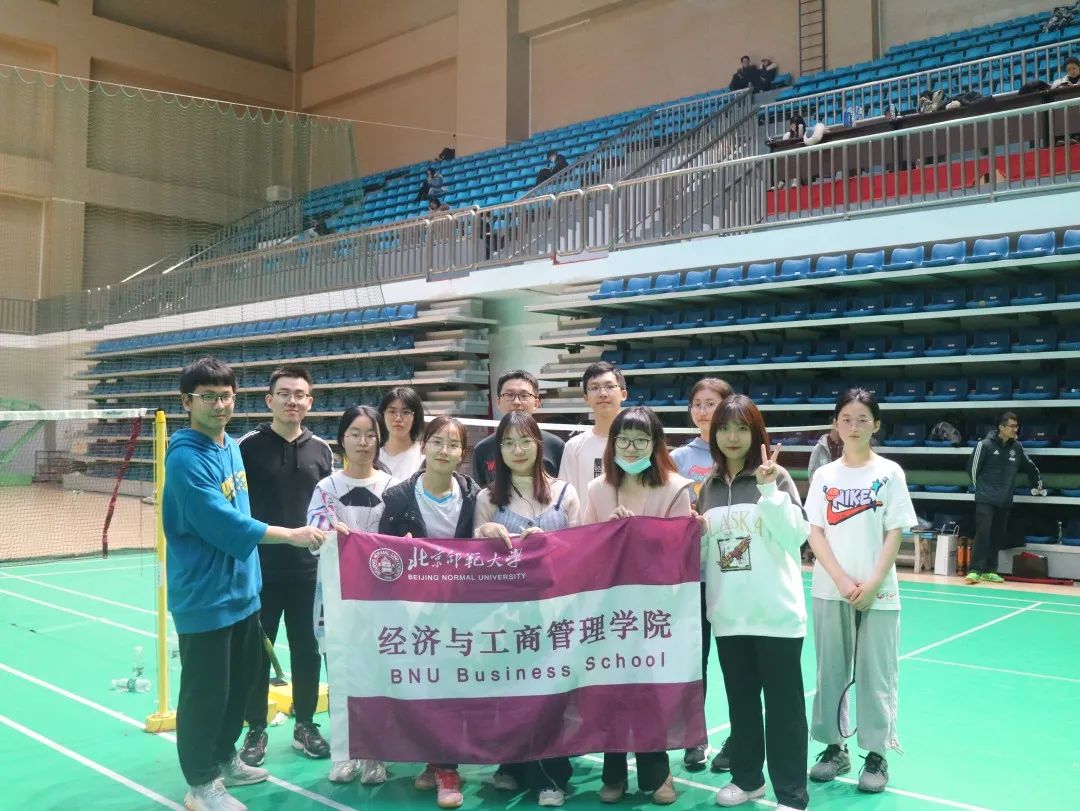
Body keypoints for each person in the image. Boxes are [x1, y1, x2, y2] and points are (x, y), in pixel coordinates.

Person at [163, 357, 326, 811]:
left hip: (243, 592)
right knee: (206, 694)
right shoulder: (185, 458)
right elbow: (223, 521)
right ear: (187, 402)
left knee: (239, 687)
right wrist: (289, 534)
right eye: (208, 397)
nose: (219, 405)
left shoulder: (230, 447)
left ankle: (223, 757)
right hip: (205, 596)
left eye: (225, 396)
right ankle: (201, 783)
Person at [698, 395, 809, 811]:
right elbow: (706, 555)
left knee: (784, 709)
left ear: (756, 434)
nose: (732, 437)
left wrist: (767, 489)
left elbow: (795, 537)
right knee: (741, 704)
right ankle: (747, 780)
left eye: (742, 429)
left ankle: (792, 794)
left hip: (776, 615)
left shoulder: (775, 477)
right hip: (729, 616)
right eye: (725, 428)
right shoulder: (708, 487)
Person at [804, 388, 917, 794]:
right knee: (830, 672)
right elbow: (815, 532)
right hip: (830, 588)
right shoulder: (824, 476)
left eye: (863, 419)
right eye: (846, 419)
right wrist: (840, 579)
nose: (854, 426)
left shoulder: (890, 473)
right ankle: (834, 748)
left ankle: (876, 752)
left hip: (878, 592)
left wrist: (872, 583)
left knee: (876, 675)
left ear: (876, 425)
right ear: (835, 424)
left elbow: (894, 532)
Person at [584, 406, 694, 806]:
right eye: (624, 440)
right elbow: (583, 550)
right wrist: (608, 534)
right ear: (612, 444)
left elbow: (680, 554)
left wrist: (638, 535)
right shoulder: (597, 490)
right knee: (611, 691)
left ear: (655, 444)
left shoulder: (676, 489)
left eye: (641, 440)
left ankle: (657, 771)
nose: (631, 448)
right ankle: (613, 771)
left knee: (650, 692)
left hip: (656, 610)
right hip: (610, 610)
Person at [473, 411, 580, 807]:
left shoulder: (566, 493)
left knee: (551, 694)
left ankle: (552, 776)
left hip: (556, 612)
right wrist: (484, 532)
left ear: (538, 445)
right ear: (498, 451)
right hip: (507, 614)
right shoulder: (486, 498)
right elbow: (474, 559)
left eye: (524, 441)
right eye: (508, 443)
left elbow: (583, 550)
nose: (517, 450)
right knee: (511, 690)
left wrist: (550, 545)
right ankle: (513, 764)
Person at [378, 415, 481, 810]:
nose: (444, 450)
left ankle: (445, 766)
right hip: (415, 614)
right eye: (437, 441)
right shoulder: (397, 498)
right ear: (424, 446)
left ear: (462, 453)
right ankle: (438, 762)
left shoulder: (475, 497)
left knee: (453, 689)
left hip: (463, 612)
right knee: (426, 688)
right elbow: (381, 557)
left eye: (453, 444)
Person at [237, 367, 334, 769]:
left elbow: (330, 507)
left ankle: (306, 724)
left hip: (309, 575)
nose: (292, 401)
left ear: (310, 402)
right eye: (284, 393)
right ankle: (255, 729)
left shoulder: (322, 450)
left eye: (300, 394)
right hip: (260, 572)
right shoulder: (246, 447)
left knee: (307, 651)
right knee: (256, 655)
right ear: (269, 400)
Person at [307, 405, 398, 786]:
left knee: (379, 676)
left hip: (382, 602)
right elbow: (313, 536)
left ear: (380, 440)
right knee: (342, 675)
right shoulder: (326, 489)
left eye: (371, 434)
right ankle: (344, 753)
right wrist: (328, 535)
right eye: (355, 434)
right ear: (342, 439)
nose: (363, 442)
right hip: (337, 599)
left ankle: (376, 753)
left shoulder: (394, 488)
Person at [669, 377, 733, 771]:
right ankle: (694, 737)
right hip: (691, 577)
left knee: (737, 663)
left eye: (712, 403)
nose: (704, 411)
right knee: (695, 663)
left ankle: (740, 737)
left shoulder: (738, 452)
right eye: (698, 404)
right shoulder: (677, 458)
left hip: (733, 579)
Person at [964, 411, 1043, 584]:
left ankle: (990, 570)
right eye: (1012, 426)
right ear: (1001, 427)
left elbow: (1030, 467)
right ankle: (975, 570)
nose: (1015, 429)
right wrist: (981, 489)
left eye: (1016, 426)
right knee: (983, 534)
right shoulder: (984, 445)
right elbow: (972, 469)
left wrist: (1037, 485)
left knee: (997, 535)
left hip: (1005, 499)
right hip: (985, 498)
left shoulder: (1017, 447)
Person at [472, 370, 564, 487]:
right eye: (509, 395)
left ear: (536, 403)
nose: (516, 402)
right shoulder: (483, 449)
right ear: (498, 402)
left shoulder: (555, 446)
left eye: (524, 395)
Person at [558, 361, 627, 517]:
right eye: (594, 388)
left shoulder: (639, 444)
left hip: (631, 529)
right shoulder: (573, 447)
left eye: (609, 386)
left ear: (623, 394)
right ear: (586, 398)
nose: (602, 393)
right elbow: (565, 501)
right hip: (588, 530)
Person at [378, 386, 425, 480]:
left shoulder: (424, 456)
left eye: (406, 412)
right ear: (383, 415)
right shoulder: (372, 456)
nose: (398, 418)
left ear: (415, 417)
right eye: (392, 411)